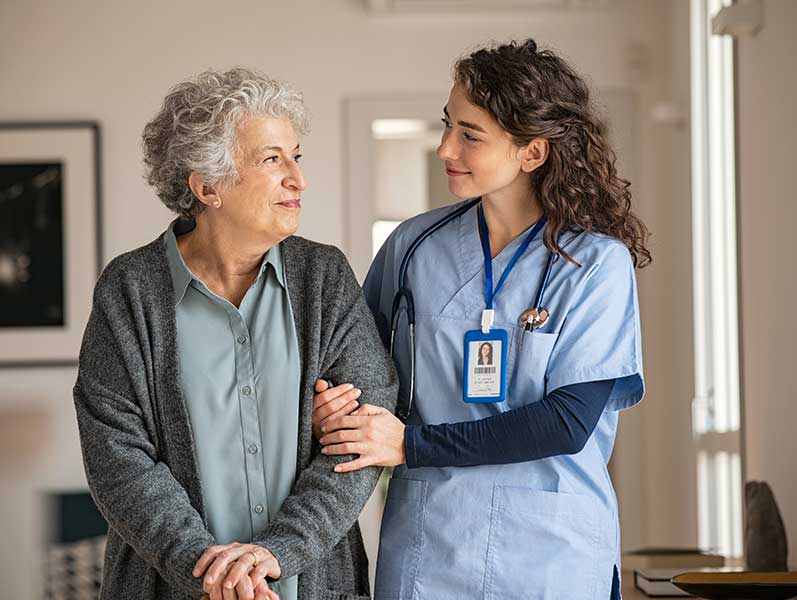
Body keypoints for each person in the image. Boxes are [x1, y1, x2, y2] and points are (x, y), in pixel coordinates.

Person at [311, 39, 650, 599]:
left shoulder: (595, 264)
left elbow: (566, 423)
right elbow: (360, 372)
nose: (445, 147)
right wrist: (337, 407)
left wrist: (409, 446)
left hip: (551, 557)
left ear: (532, 153)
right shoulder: (412, 247)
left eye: (470, 134)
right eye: (448, 126)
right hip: (429, 549)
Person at [72, 68, 397, 600]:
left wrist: (277, 552)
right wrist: (211, 572)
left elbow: (362, 437)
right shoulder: (129, 291)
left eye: (296, 156)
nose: (298, 178)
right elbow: (118, 458)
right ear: (207, 186)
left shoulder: (324, 277)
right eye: (273, 160)